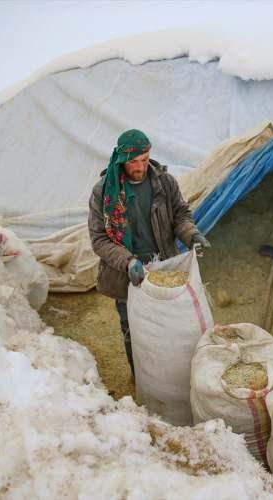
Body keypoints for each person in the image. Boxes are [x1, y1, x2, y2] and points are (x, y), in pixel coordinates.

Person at [88, 129, 210, 375]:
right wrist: (128, 262)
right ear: (122, 159)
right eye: (133, 161)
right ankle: (142, 377)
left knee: (169, 324)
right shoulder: (104, 192)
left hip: (163, 267)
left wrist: (191, 234)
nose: (140, 167)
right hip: (126, 275)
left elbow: (180, 215)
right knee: (133, 329)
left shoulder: (164, 182)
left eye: (144, 159)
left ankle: (171, 375)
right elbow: (99, 239)